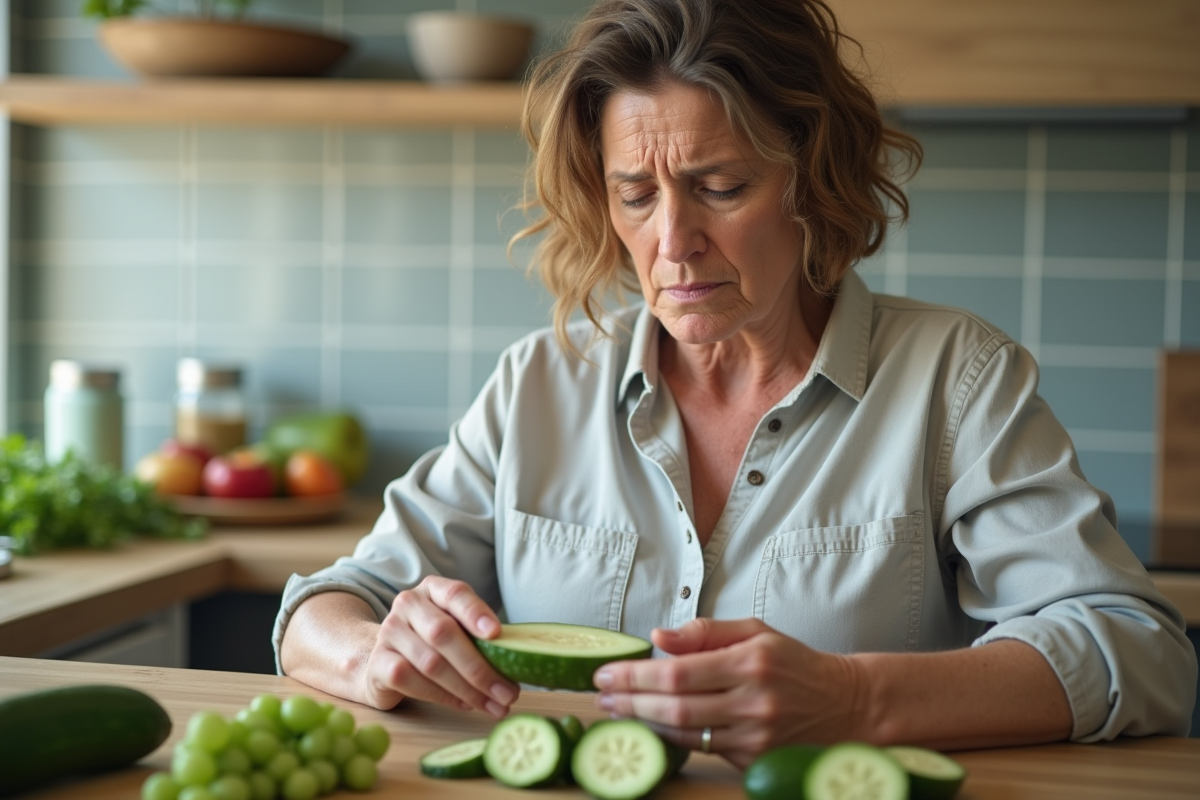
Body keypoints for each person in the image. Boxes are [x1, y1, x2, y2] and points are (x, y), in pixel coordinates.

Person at [275, 0, 1196, 767]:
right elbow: (324, 606)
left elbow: (1139, 651)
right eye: (636, 194)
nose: (673, 244)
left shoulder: (958, 379)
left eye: (719, 186)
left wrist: (850, 697)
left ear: (814, 178)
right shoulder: (538, 386)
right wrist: (373, 652)